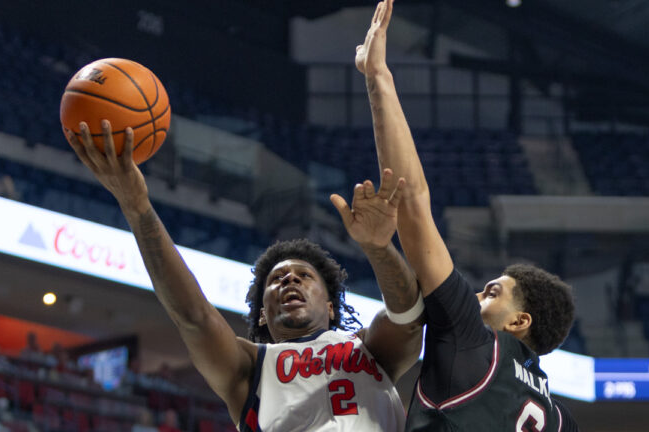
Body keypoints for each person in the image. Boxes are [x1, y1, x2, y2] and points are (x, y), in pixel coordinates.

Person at [65, 121, 423, 431]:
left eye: (304, 276)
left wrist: (379, 248)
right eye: (277, 279)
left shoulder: (370, 348)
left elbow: (408, 316)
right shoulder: (250, 366)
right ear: (263, 314)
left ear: (331, 308)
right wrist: (138, 207)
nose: (290, 281)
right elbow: (195, 317)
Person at [355, 1, 579, 430]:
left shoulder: (474, 341)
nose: (474, 296)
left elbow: (414, 201)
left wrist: (378, 78)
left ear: (518, 321)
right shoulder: (559, 418)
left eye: (491, 292)